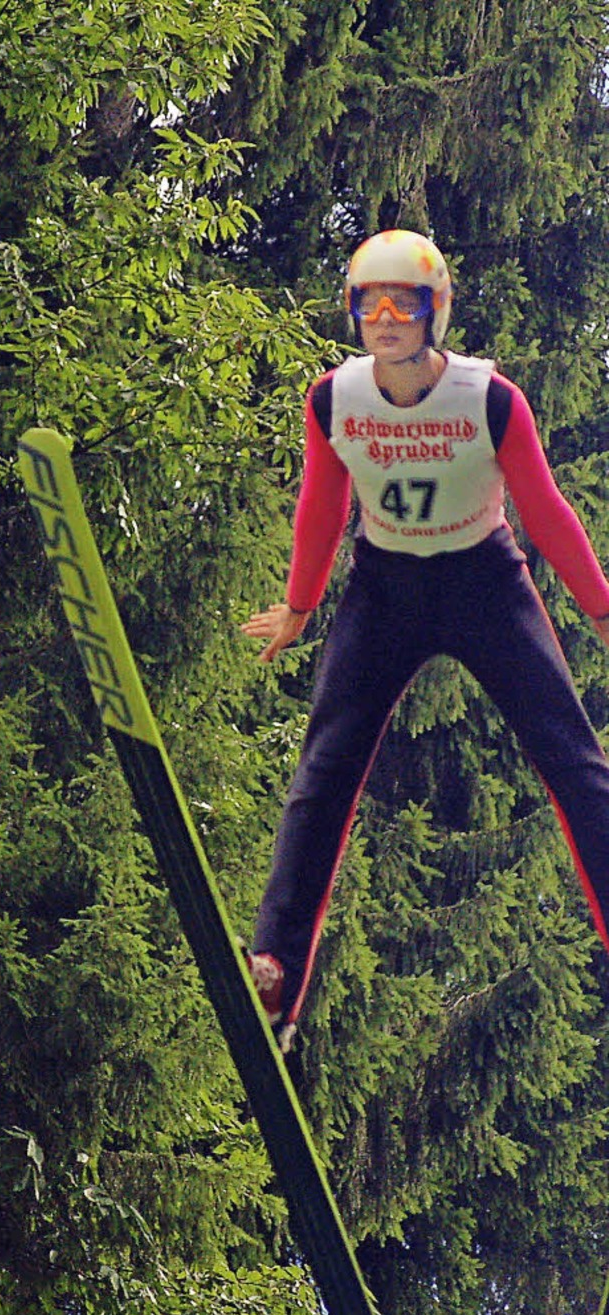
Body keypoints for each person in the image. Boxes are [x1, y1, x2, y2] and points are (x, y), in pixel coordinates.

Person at [241, 229, 609, 1053]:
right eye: (366, 300)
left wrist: (600, 607)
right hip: (386, 588)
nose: (383, 317)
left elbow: (543, 508)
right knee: (324, 770)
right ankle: (274, 975)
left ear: (434, 310)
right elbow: (323, 504)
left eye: (402, 301)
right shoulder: (336, 399)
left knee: (574, 761)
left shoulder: (489, 399)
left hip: (485, 580)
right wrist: (302, 604)